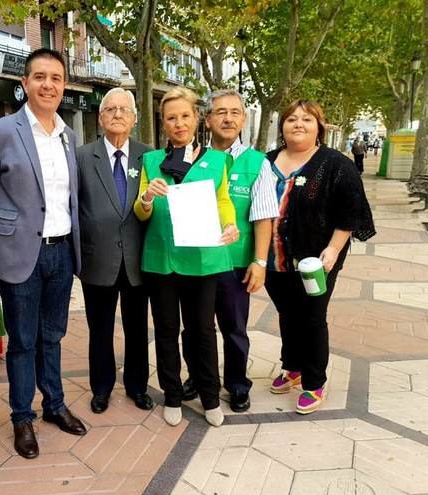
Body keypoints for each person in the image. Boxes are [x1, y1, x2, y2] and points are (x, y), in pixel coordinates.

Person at [0, 48, 86, 460]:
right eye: (39, 77)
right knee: (22, 341)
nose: (48, 85)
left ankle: (54, 405)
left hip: (61, 253)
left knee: (52, 336)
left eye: (56, 78)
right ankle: (22, 417)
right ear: (24, 84)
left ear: (63, 85)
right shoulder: (0, 132)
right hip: (19, 253)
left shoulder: (68, 135)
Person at [134, 87, 239, 428]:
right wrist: (147, 198)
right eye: (170, 118)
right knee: (165, 330)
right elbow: (140, 212)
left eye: (184, 116)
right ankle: (173, 394)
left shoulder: (218, 161)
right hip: (162, 260)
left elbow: (223, 201)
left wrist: (230, 224)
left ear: (197, 119)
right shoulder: (150, 162)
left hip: (204, 258)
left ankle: (210, 397)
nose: (178, 123)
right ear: (162, 123)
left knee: (203, 331)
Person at [266, 100, 375, 414]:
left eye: (306, 119)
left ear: (319, 127)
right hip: (275, 257)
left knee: (311, 316)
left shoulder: (335, 164)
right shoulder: (267, 161)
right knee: (286, 312)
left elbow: (351, 211)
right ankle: (293, 366)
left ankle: (314, 382)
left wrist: (333, 249)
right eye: (291, 119)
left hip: (318, 259)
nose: (298, 124)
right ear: (282, 126)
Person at [181, 89, 279, 412]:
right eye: (220, 112)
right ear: (207, 119)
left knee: (234, 329)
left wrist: (260, 261)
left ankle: (237, 384)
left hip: (235, 265)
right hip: (195, 262)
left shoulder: (257, 163)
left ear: (243, 119)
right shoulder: (191, 157)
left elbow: (264, 216)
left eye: (235, 112)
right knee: (195, 327)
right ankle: (198, 376)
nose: (228, 118)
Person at [77, 88, 153, 414]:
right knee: (100, 329)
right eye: (110, 109)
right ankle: (102, 388)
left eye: (124, 109)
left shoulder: (150, 157)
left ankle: (137, 385)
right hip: (97, 259)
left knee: (138, 328)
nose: (117, 114)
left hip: (139, 259)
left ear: (134, 118)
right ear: (100, 117)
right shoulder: (81, 157)